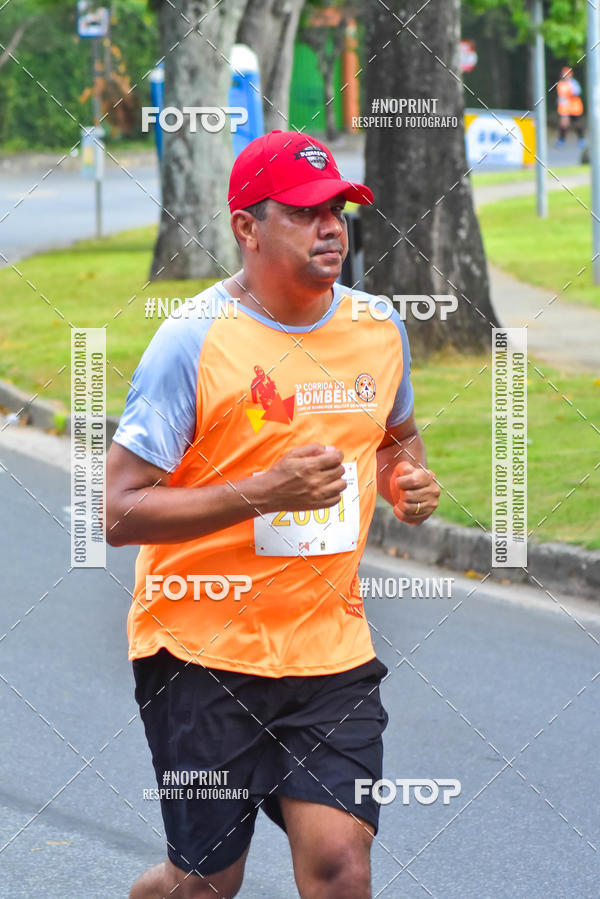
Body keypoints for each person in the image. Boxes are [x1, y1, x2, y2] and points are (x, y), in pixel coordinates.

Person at [106, 128, 440, 899]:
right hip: (199, 650)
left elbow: (396, 438)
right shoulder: (191, 342)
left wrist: (407, 479)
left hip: (329, 653)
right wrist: (266, 490)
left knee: (339, 866)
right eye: (305, 211)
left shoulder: (377, 329)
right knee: (206, 884)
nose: (332, 228)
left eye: (340, 210)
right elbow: (120, 512)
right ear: (246, 227)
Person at [556, 66, 584, 147]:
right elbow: (560, 95)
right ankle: (561, 140)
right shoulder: (560, 84)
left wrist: (570, 91)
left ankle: (581, 138)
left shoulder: (573, 83)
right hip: (565, 107)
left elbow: (577, 92)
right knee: (563, 123)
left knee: (577, 124)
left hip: (574, 107)